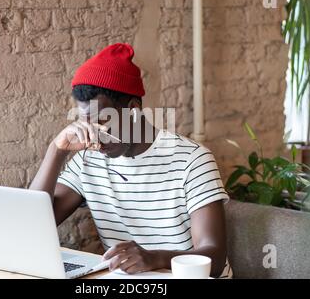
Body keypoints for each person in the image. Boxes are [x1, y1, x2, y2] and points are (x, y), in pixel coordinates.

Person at [30, 43, 232, 278]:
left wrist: (154, 258)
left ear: (133, 110)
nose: (95, 136)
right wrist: (57, 150)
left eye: (103, 122)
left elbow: (215, 260)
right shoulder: (88, 160)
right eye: (87, 123)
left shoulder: (192, 159)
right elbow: (32, 226)